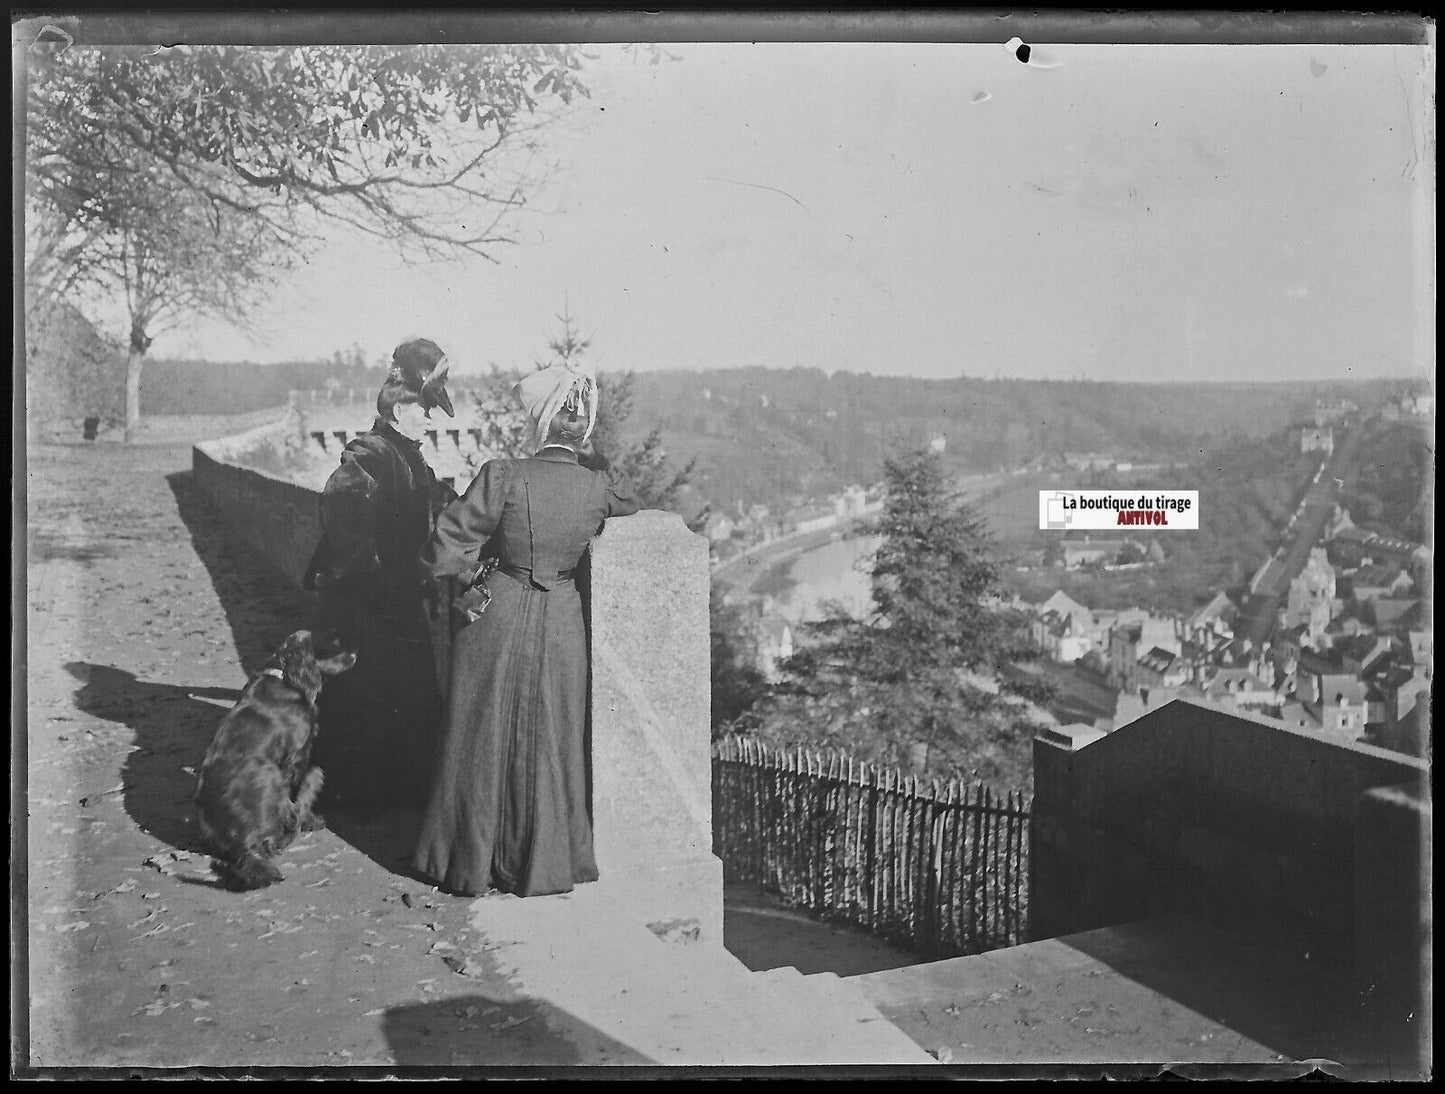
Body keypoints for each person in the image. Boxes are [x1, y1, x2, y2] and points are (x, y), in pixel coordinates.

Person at [414, 358, 639, 897]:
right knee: (553, 737)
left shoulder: (505, 474)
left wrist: (474, 574)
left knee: (480, 731)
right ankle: (542, 864)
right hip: (563, 617)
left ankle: (471, 862)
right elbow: (632, 503)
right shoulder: (596, 487)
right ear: (583, 431)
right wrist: (595, 462)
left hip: (499, 608)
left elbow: (441, 548)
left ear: (537, 422)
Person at [303, 337, 457, 813]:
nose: (432, 420)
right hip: (369, 607)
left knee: (402, 699)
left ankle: (391, 800)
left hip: (395, 603)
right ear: (399, 408)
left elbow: (439, 502)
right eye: (426, 410)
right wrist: (378, 580)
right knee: (369, 701)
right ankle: (361, 804)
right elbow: (342, 507)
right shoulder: (372, 451)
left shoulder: (408, 455)